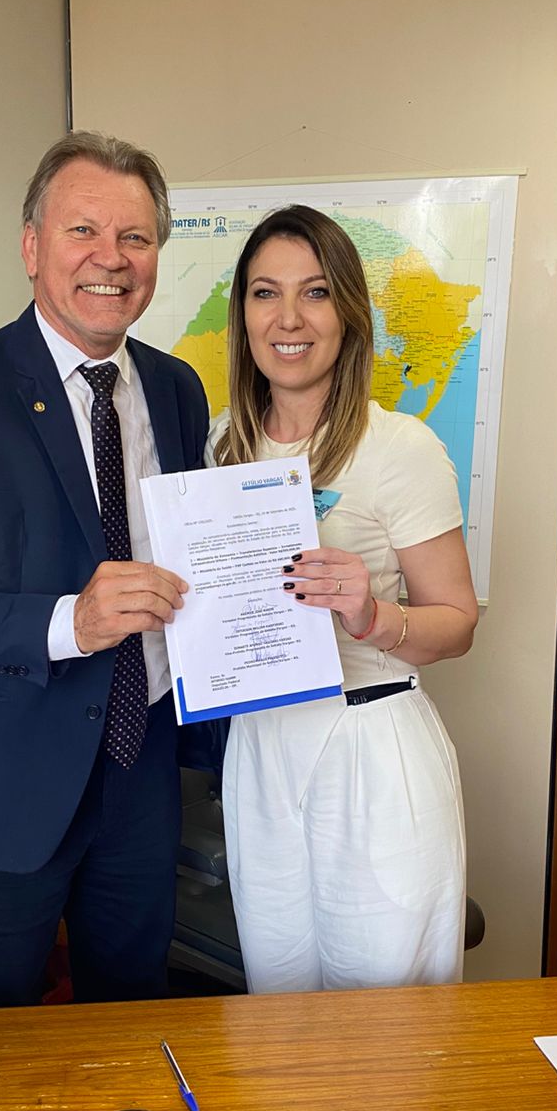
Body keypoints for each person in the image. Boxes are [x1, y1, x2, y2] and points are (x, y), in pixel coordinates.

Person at [0, 132, 209, 1008]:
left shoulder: (176, 388)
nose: (111, 258)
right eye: (82, 231)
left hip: (142, 767)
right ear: (31, 247)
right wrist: (71, 622)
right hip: (0, 780)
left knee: (130, 1014)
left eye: (135, 237)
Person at [211, 204, 478, 993]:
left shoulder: (400, 447)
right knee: (278, 1002)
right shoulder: (222, 444)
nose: (288, 318)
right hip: (260, 749)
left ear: (349, 313)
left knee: (384, 1020)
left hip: (371, 747)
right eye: (265, 293)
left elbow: (457, 623)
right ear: (243, 315)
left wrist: (371, 615)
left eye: (316, 292)